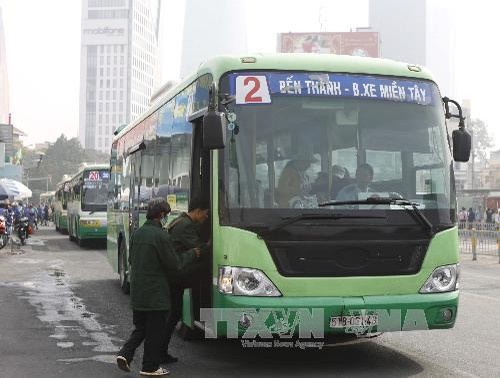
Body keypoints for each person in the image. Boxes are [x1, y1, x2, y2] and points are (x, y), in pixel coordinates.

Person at [116, 199, 203, 376]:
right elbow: (175, 264)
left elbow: (132, 260)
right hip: (156, 294)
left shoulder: (137, 234)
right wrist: (192, 253)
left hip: (138, 293)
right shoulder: (161, 236)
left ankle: (125, 354)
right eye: (166, 214)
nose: (166, 218)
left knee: (141, 328)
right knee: (155, 331)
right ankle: (150, 367)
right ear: (161, 215)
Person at [161, 196, 210, 363]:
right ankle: (159, 351)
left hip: (173, 273)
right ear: (197, 211)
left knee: (173, 314)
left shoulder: (180, 220)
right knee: (173, 314)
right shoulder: (186, 226)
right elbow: (199, 249)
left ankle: (161, 351)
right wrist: (211, 244)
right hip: (176, 275)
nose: (206, 217)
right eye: (205, 213)